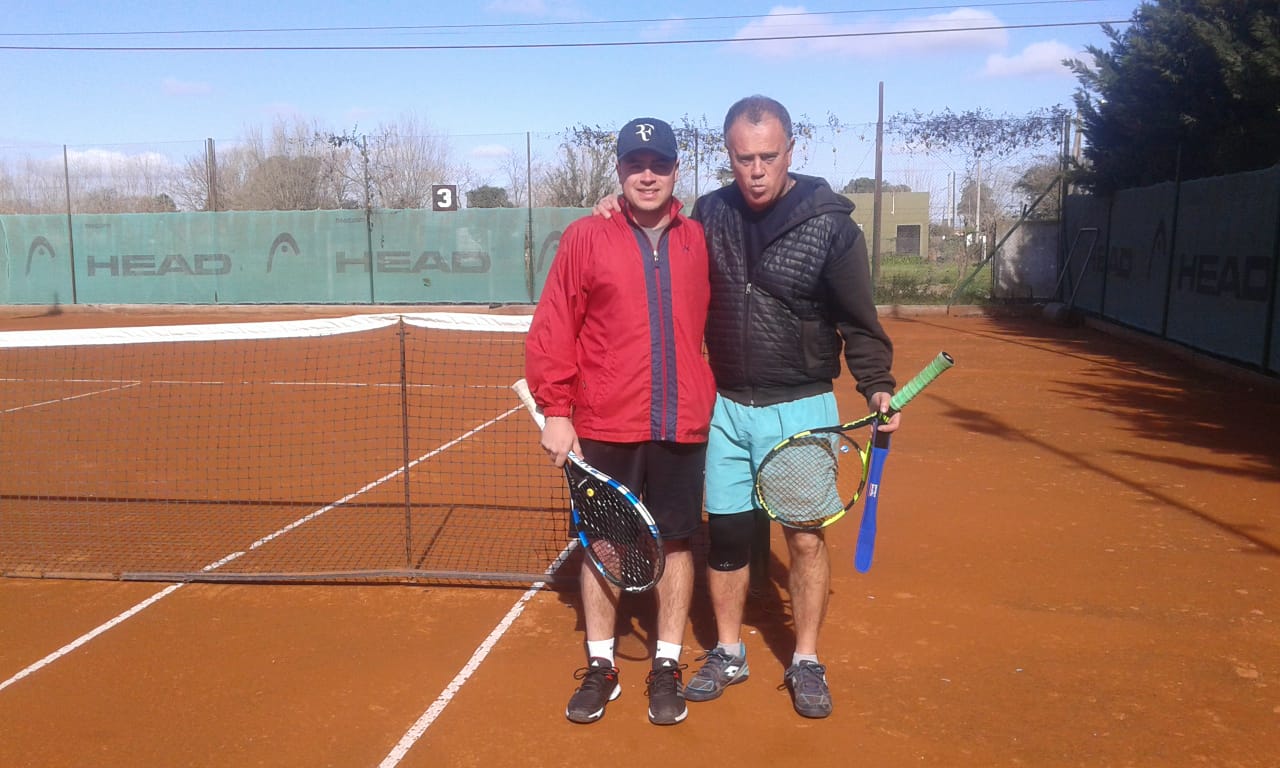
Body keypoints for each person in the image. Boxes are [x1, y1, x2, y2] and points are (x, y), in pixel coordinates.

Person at [595, 95, 900, 719]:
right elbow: (657, 229)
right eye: (743, 158)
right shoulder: (711, 214)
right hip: (727, 405)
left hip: (801, 403)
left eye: (768, 156)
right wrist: (615, 208)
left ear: (791, 151)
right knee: (727, 538)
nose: (756, 171)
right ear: (728, 157)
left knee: (804, 540)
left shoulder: (833, 227)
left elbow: (859, 321)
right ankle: (729, 651)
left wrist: (877, 385)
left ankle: (806, 659)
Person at [525, 117, 716, 726]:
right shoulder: (586, 236)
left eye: (658, 164)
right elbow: (555, 324)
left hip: (681, 421)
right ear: (620, 171)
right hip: (605, 421)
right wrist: (556, 410)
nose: (647, 176)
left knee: (678, 543)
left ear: (676, 171)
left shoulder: (699, 239)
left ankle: (666, 664)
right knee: (603, 544)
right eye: (636, 165)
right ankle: (602, 666)